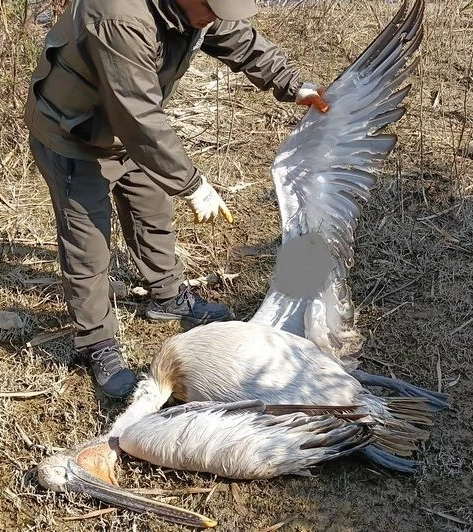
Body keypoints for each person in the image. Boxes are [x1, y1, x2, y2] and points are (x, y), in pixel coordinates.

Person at [23, 0, 330, 399]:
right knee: (89, 246)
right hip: (72, 135)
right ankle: (97, 343)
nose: (217, 18)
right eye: (213, 8)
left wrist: (293, 85)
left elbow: (237, 36)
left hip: (128, 136)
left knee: (152, 212)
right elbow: (138, 116)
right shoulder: (119, 15)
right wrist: (192, 184)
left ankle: (167, 296)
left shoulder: (199, 10)